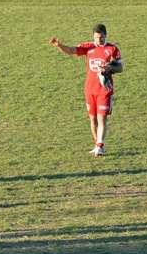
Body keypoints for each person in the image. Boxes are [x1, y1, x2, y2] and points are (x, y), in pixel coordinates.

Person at [50, 23, 123, 157]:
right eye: (96, 37)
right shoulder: (88, 47)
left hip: (104, 90)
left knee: (101, 119)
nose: (98, 40)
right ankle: (98, 145)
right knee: (92, 119)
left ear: (105, 35)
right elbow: (71, 50)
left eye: (101, 37)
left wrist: (109, 68)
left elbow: (120, 68)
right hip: (90, 90)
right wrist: (60, 46)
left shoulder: (112, 49)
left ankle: (100, 146)